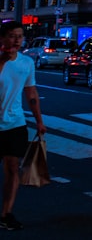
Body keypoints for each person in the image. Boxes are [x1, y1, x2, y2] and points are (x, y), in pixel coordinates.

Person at [0, 22, 45, 231]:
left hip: (15, 123)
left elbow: (31, 92)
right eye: (11, 36)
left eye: (19, 36)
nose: (16, 40)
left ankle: (6, 213)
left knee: (12, 168)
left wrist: (39, 121)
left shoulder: (26, 62)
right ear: (2, 39)